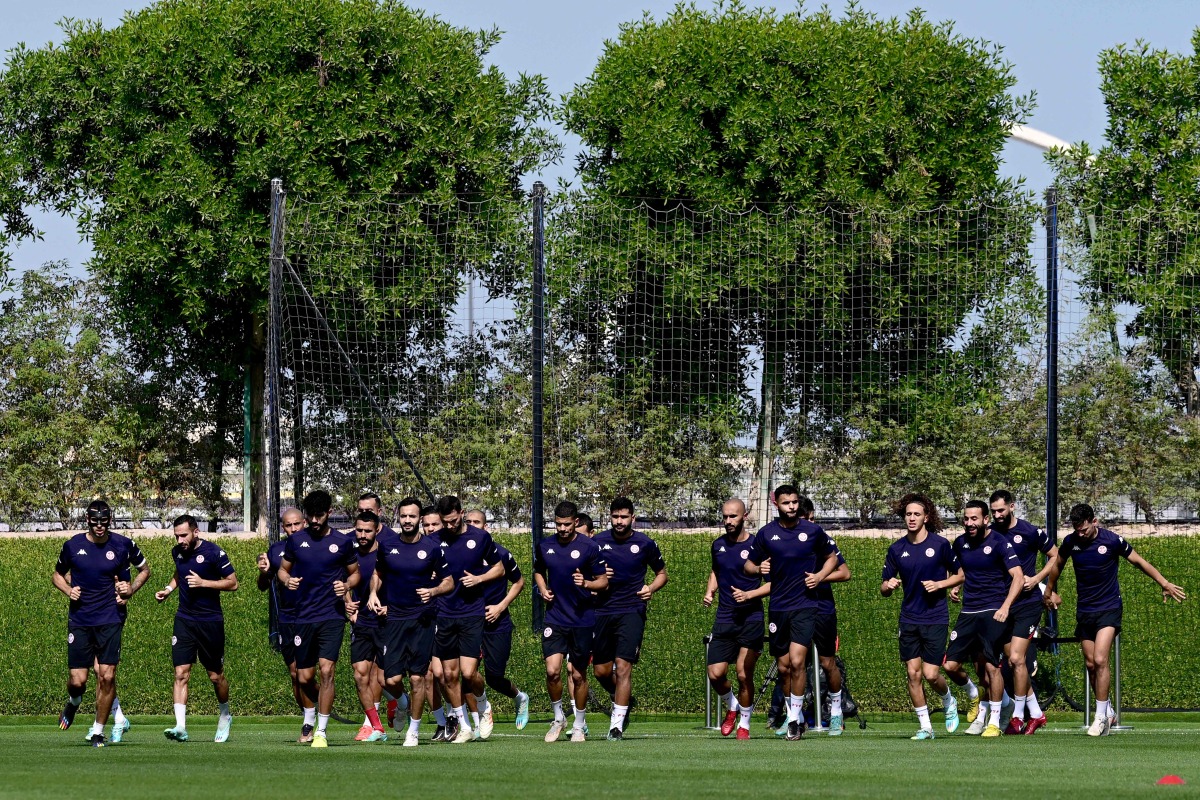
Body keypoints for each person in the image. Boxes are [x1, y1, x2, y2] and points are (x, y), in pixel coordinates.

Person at [1045, 503, 1186, 736]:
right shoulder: (1071, 542)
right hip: (1085, 610)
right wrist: (1048, 591)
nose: (1081, 534)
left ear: (1094, 521)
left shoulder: (1112, 541)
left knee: (1100, 659)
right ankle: (1107, 709)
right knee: (1090, 664)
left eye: (1084, 529)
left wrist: (1164, 583)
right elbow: (1058, 565)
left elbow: (1139, 562)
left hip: (1109, 608)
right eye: (1077, 530)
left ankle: (1100, 718)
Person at [53, 500, 150, 747]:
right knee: (78, 680)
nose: (99, 526)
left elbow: (144, 570)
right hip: (81, 619)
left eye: (103, 521)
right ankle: (74, 703)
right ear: (87, 520)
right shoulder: (73, 545)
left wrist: (131, 589)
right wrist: (68, 589)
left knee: (106, 676)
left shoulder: (122, 544)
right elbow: (56, 575)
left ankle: (98, 731)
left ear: (109, 520)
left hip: (110, 618)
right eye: (95, 521)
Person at [745, 485, 838, 741]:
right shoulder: (766, 534)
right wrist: (757, 568)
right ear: (777, 504)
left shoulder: (812, 531)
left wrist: (819, 576)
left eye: (795, 502)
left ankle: (795, 721)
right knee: (784, 667)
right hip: (778, 608)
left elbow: (832, 558)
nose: (792, 507)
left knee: (798, 662)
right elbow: (748, 564)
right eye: (787, 503)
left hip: (805, 606)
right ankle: (792, 713)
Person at [277, 490, 361, 748]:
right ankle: (310, 715)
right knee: (303, 677)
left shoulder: (342, 542)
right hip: (302, 617)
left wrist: (346, 585)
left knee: (327, 670)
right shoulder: (296, 541)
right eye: (310, 515)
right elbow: (282, 570)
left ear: (329, 513)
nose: (314, 520)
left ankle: (321, 731)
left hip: (332, 616)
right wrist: (287, 580)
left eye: (319, 515)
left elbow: (356, 574)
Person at [368, 497, 454, 747]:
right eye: (403, 516)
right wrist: (373, 593)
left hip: (422, 619)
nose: (407, 521)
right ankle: (402, 703)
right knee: (389, 680)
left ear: (419, 519)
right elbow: (378, 574)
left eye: (412, 516)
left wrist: (434, 591)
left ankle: (413, 731)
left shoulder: (431, 548)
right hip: (393, 618)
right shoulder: (387, 546)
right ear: (398, 516)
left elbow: (449, 581)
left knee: (418, 678)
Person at [880, 493, 962, 740]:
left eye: (917, 514)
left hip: (935, 617)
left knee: (930, 674)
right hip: (909, 618)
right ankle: (925, 727)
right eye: (908, 514)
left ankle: (949, 701)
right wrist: (889, 585)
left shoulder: (940, 545)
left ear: (926, 517)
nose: (912, 518)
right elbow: (883, 587)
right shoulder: (896, 549)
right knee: (913, 673)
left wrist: (941, 585)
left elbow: (960, 575)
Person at [943, 501, 1023, 739]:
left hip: (993, 611)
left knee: (990, 666)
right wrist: (955, 585)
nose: (969, 523)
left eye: (974, 519)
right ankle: (1000, 701)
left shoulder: (999, 542)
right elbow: (959, 571)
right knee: (950, 665)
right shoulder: (959, 543)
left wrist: (1006, 607)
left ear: (985, 519)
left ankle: (994, 721)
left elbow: (1018, 577)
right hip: (968, 612)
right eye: (966, 519)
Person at [155, 515, 238, 743]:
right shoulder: (177, 552)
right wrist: (168, 590)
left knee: (215, 676)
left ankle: (224, 715)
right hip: (184, 620)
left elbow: (233, 582)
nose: (180, 540)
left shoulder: (214, 553)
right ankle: (180, 726)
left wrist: (205, 583)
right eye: (177, 536)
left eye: (184, 535)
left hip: (210, 621)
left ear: (196, 532)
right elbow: (179, 574)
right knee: (181, 673)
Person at [592, 497, 668, 740]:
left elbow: (662, 574)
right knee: (601, 672)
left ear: (633, 518)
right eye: (615, 517)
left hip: (632, 610)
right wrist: (597, 579)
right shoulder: (597, 542)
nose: (619, 521)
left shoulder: (645, 543)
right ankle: (625, 701)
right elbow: (582, 571)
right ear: (609, 517)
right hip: (601, 611)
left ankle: (616, 725)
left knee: (623, 667)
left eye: (624, 517)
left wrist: (651, 588)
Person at [432, 495, 506, 744]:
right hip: (444, 613)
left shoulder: (480, 537)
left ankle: (484, 705)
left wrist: (479, 579)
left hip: (472, 612)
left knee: (468, 672)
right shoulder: (435, 540)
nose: (449, 526)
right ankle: (463, 725)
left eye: (453, 521)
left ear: (461, 513)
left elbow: (499, 569)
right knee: (449, 675)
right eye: (445, 522)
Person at [534, 501, 609, 743]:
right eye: (558, 524)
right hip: (555, 618)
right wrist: (543, 588)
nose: (562, 529)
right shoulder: (545, 545)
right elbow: (538, 570)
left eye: (567, 524)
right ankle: (558, 718)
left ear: (576, 522)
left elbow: (603, 581)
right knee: (552, 671)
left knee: (578, 676)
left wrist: (586, 584)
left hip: (582, 619)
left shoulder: (589, 547)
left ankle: (578, 724)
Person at [989, 489, 1056, 734]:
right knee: (1013, 661)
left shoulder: (1029, 531)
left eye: (1001, 510)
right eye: (993, 511)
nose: (997, 515)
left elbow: (1055, 555)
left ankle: (1017, 716)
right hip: (1002, 605)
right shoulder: (990, 534)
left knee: (1017, 659)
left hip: (1027, 604)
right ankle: (1036, 713)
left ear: (1012, 506)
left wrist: (1037, 579)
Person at [703, 498, 766, 740]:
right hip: (724, 618)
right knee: (715, 674)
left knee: (742, 673)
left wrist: (750, 594)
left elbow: (774, 582)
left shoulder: (757, 546)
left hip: (751, 618)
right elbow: (716, 571)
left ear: (745, 516)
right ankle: (732, 705)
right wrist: (710, 591)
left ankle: (745, 724)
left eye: (733, 517)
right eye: (725, 517)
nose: (728, 521)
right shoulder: (717, 545)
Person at [257, 507, 315, 742]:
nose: (292, 529)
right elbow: (263, 585)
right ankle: (308, 718)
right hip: (287, 619)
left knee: (309, 674)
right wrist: (263, 572)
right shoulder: (276, 550)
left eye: (296, 524)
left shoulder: (315, 546)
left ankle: (317, 716)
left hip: (312, 617)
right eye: (288, 526)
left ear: (305, 523)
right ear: (283, 527)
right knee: (294, 674)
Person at [802, 495, 852, 735]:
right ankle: (796, 717)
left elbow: (845, 573)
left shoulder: (822, 540)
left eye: (809, 518)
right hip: (793, 609)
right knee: (791, 664)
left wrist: (818, 577)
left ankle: (836, 713)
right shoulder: (780, 540)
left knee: (827, 662)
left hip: (822, 609)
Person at [477, 540, 531, 732]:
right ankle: (478, 718)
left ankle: (520, 697)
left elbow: (519, 582)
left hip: (497, 625)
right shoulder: (461, 552)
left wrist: (500, 607)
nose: (474, 527)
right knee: (467, 674)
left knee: (494, 677)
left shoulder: (502, 553)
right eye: (471, 523)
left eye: (478, 523)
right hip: (469, 623)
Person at [345, 510, 388, 742]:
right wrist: (348, 605)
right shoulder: (348, 553)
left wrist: (390, 608)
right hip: (360, 623)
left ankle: (398, 703)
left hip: (385, 623)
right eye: (359, 530)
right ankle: (373, 725)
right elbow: (339, 581)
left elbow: (401, 584)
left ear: (377, 530)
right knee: (360, 675)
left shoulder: (387, 553)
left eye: (367, 531)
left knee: (383, 679)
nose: (362, 535)